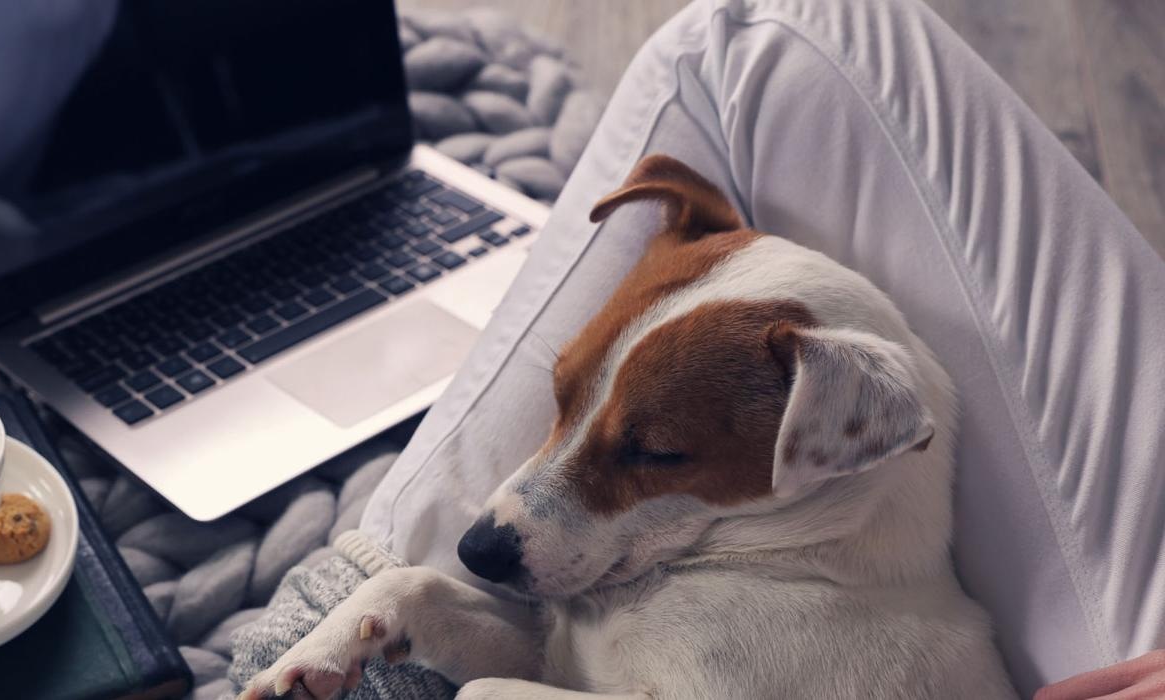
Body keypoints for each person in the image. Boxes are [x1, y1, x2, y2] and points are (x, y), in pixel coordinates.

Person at [232, 0, 1165, 696]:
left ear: (831, 435)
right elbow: (571, 670)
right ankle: (360, 610)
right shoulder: (739, 584)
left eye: (651, 454)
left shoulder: (845, 642)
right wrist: (419, 606)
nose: (512, 510)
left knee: (756, 39)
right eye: (570, 398)